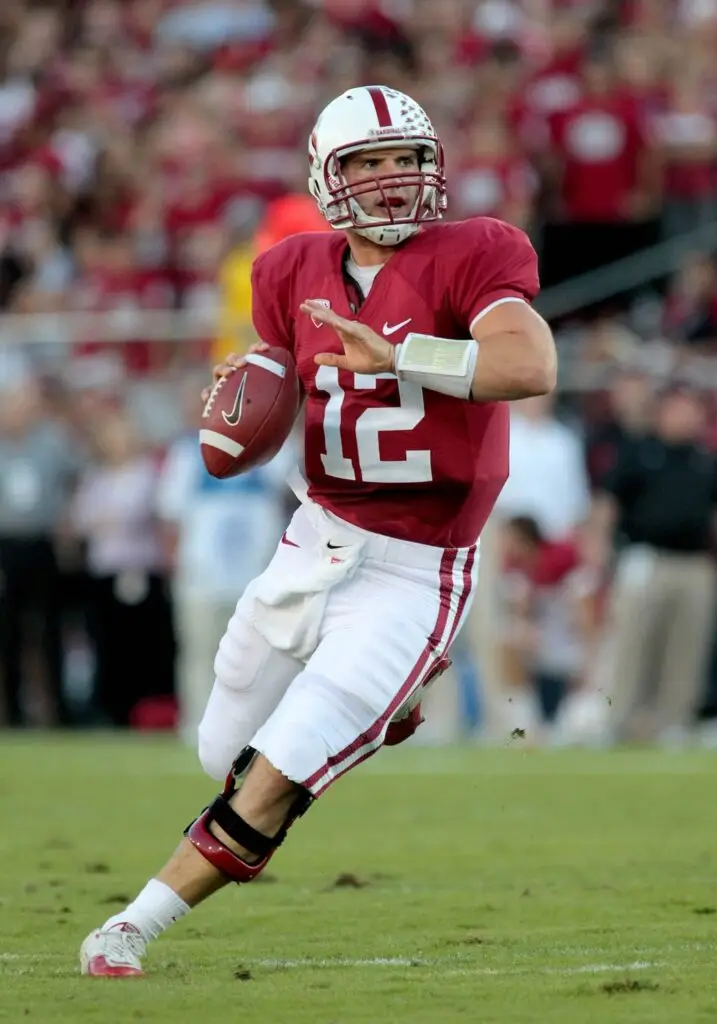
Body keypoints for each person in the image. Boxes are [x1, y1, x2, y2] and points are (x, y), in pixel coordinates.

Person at [79, 84, 556, 977]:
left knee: (280, 770)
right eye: (367, 163)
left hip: (418, 566)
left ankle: (130, 926)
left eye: (407, 158)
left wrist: (402, 353)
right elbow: (270, 411)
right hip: (314, 541)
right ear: (326, 176)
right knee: (223, 751)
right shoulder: (285, 269)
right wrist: (237, 408)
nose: (391, 179)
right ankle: (388, 710)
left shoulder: (479, 250)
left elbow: (527, 364)